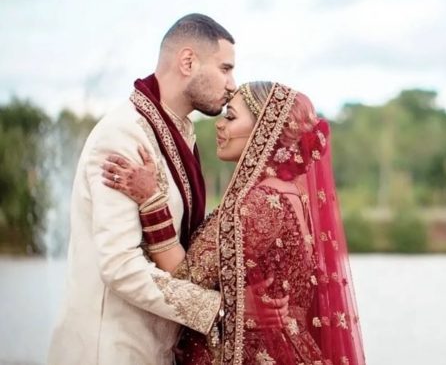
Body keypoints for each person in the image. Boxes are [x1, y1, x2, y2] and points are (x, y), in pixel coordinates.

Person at [103, 81, 366, 364]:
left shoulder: (259, 204)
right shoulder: (292, 194)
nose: (219, 125)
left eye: (230, 116)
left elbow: (184, 277)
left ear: (264, 131)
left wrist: (152, 200)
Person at [48, 13, 241, 365]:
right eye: (225, 68)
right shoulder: (125, 135)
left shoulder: (175, 130)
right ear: (188, 61)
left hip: (152, 348)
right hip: (110, 349)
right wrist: (213, 308)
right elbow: (120, 265)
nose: (232, 84)